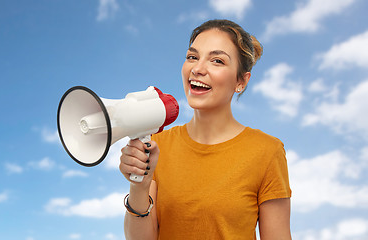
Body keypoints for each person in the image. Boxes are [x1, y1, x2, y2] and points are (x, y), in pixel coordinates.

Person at [119, 19, 292, 240]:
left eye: (217, 61)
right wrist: (139, 187)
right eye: (192, 57)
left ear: (241, 81)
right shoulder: (157, 144)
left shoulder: (267, 151)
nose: (198, 69)